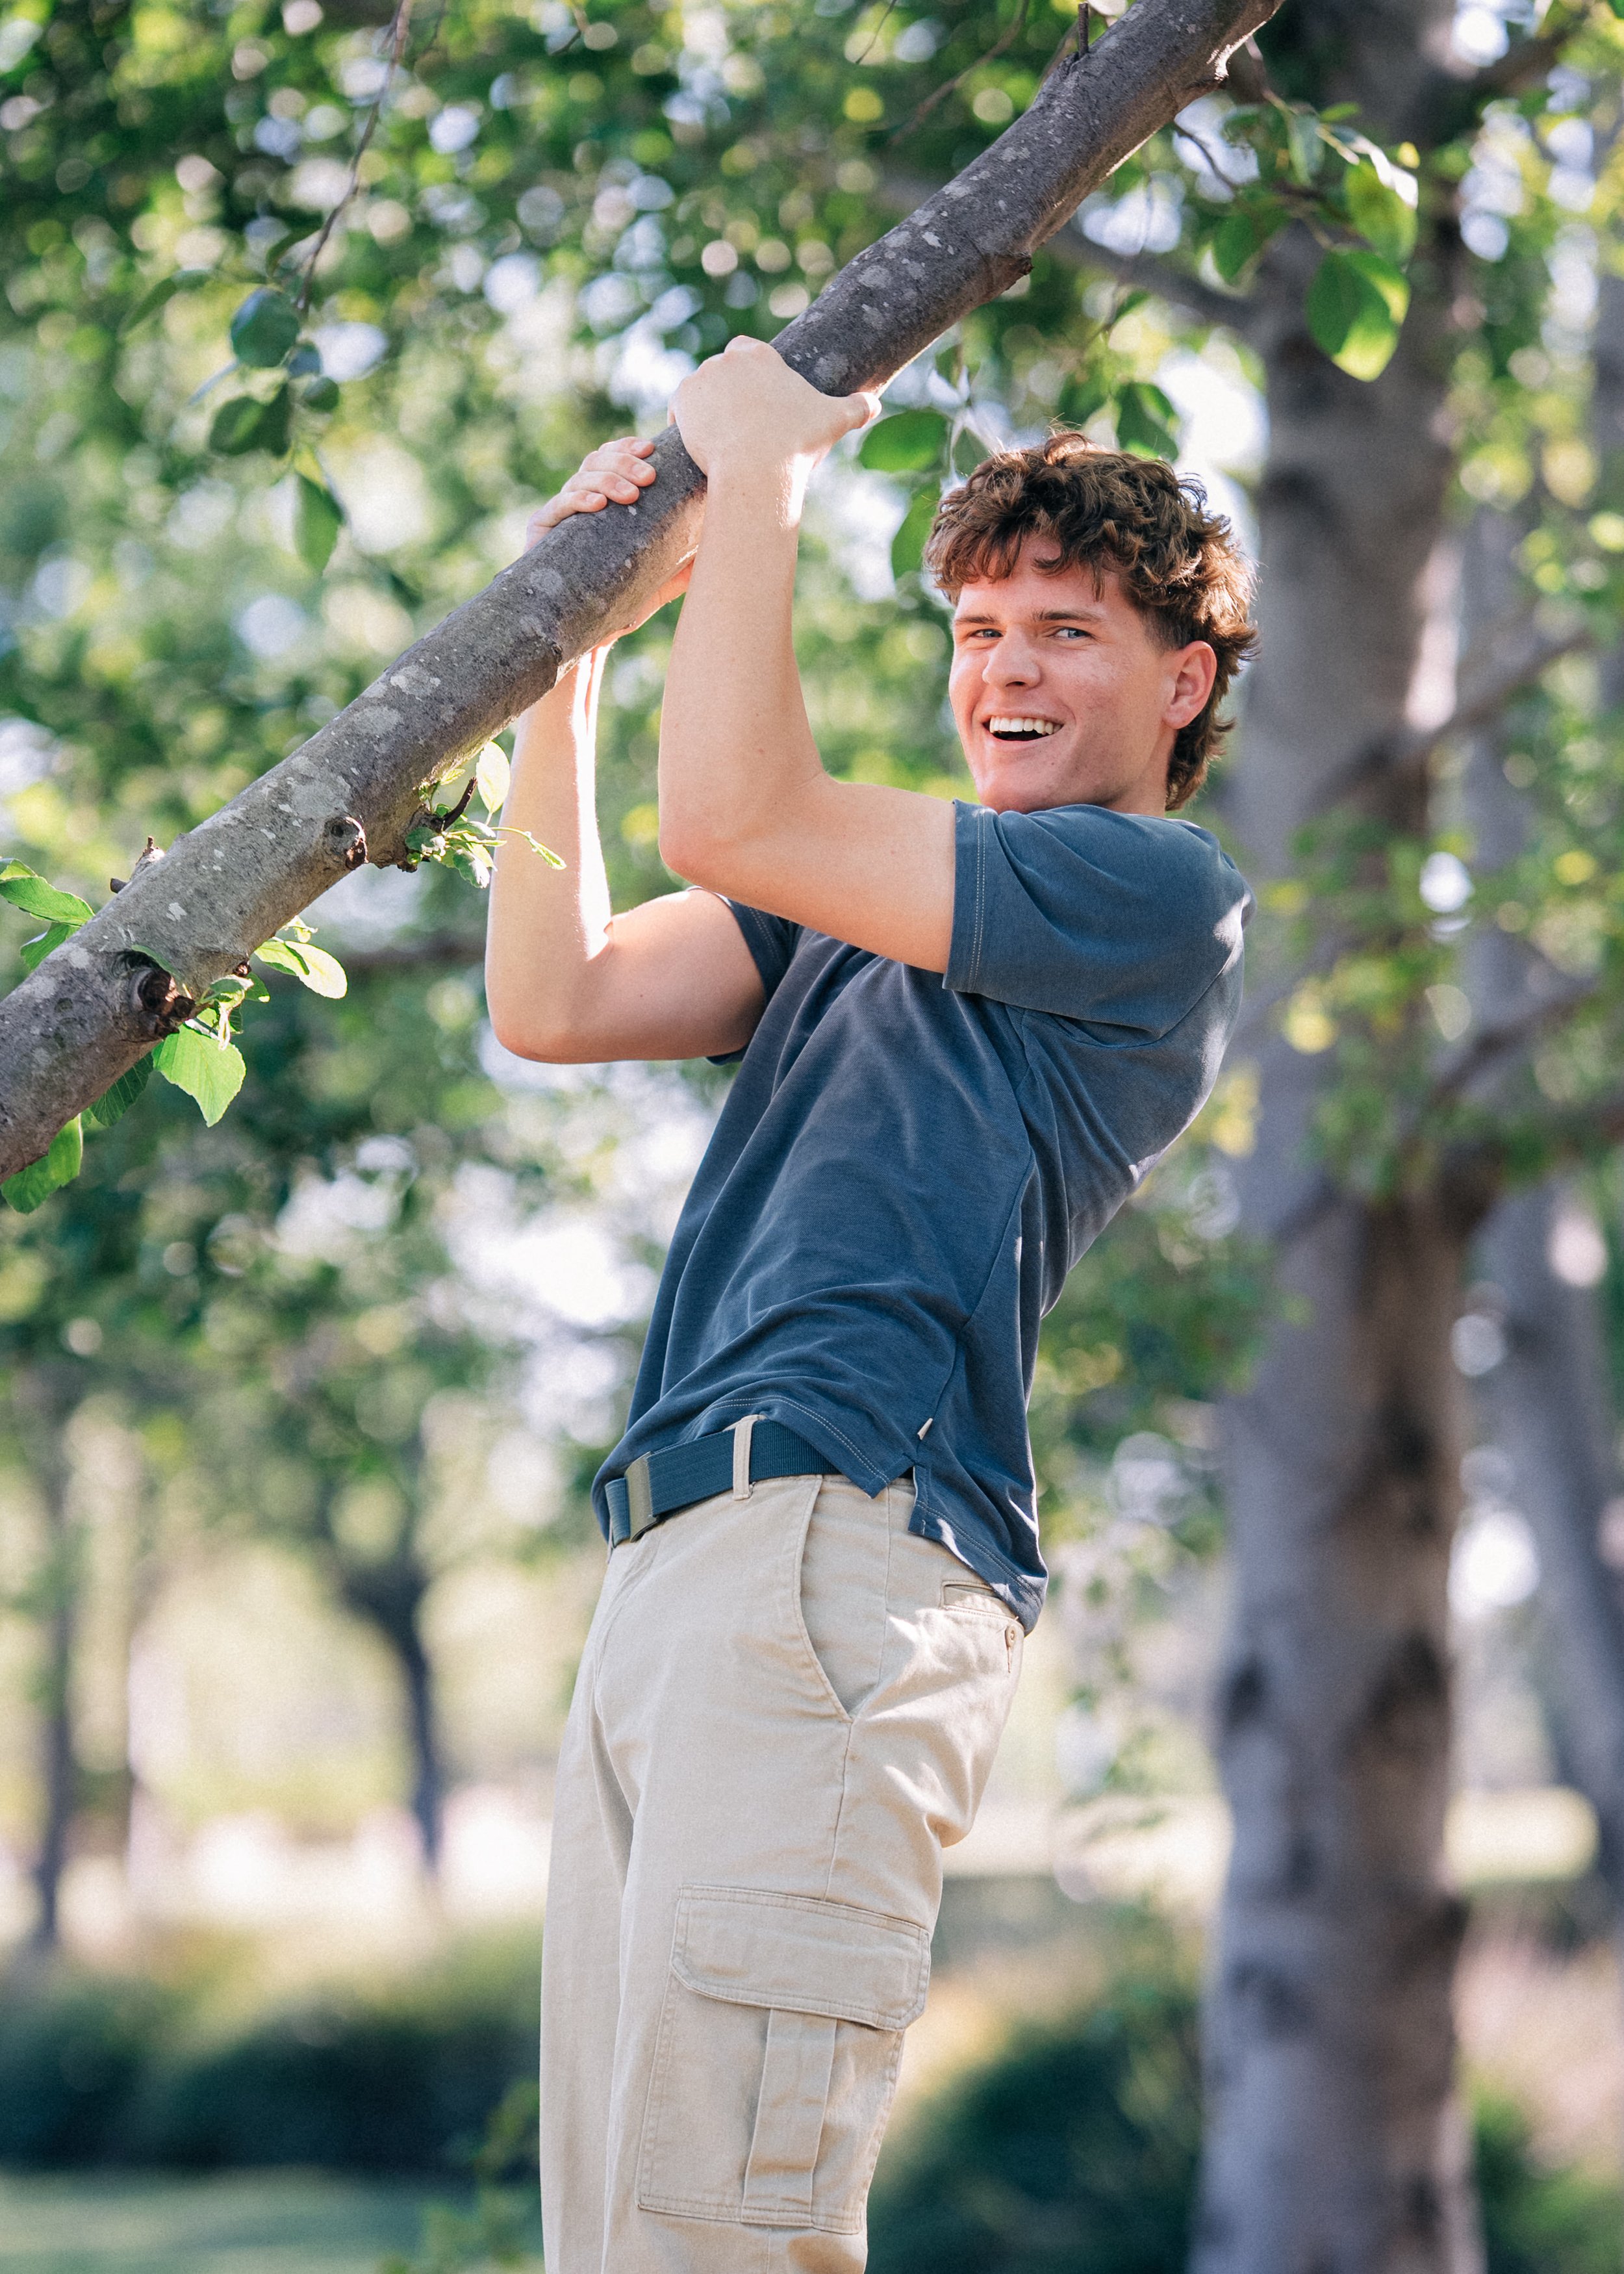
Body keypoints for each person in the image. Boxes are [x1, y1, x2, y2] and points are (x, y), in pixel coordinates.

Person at [485, 337, 1256, 2274]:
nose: (1002, 664)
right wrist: (565, 663)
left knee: (716, 2241)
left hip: (842, 1556)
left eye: (1066, 630)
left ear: (1182, 685)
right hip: (679, 1563)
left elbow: (735, 813)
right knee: (622, 2244)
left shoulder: (1146, 895)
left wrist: (759, 476)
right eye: (978, 624)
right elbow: (556, 997)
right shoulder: (874, 894)